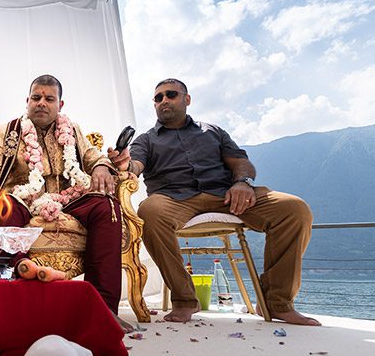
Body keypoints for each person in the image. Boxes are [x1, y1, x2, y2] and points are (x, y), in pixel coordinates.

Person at [109, 78, 319, 326]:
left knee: (294, 209)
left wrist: (242, 182)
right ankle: (185, 299)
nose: (164, 100)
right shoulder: (146, 140)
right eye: (158, 98)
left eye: (171, 94)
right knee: (149, 211)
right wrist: (125, 164)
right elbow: (135, 165)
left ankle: (277, 302)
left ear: (187, 99)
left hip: (226, 195)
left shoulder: (213, 131)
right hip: (174, 198)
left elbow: (241, 162)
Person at [0, 75, 123, 314]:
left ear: (60, 105)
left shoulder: (72, 130)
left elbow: (94, 157)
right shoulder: (8, 131)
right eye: (36, 97)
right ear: (27, 101)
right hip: (25, 199)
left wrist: (102, 166)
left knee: (106, 205)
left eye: (49, 98)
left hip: (68, 201)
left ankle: (103, 309)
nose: (41, 102)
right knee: (5, 205)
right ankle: (22, 280)